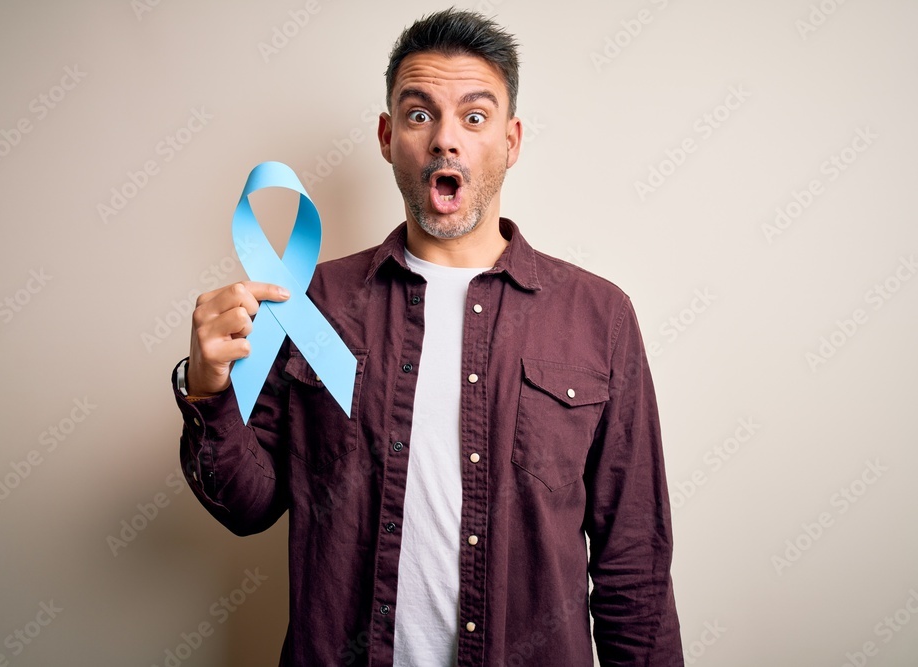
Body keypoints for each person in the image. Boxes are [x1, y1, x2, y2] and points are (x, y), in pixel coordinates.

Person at [172, 9, 683, 666]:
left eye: (474, 117)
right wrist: (207, 388)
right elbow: (247, 505)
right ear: (388, 137)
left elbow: (634, 566)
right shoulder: (310, 304)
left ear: (511, 140)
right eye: (420, 115)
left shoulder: (599, 315)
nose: (445, 139)